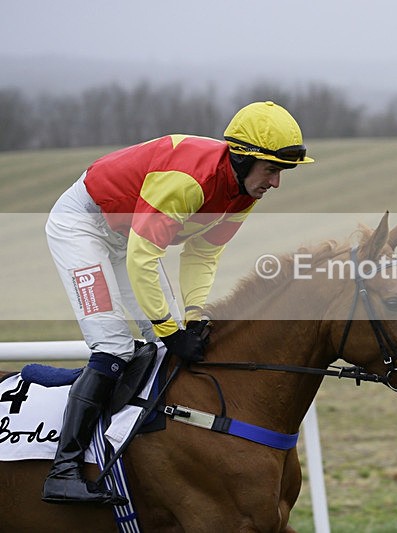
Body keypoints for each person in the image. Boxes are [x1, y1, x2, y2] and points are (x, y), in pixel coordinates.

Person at [41, 101, 314, 505]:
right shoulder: (190, 181)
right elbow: (142, 258)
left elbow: (203, 255)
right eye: (272, 170)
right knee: (115, 346)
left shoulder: (243, 193)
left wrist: (193, 315)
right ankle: (62, 472)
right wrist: (172, 330)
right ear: (243, 159)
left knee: (167, 341)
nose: (276, 183)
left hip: (127, 236)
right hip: (83, 226)